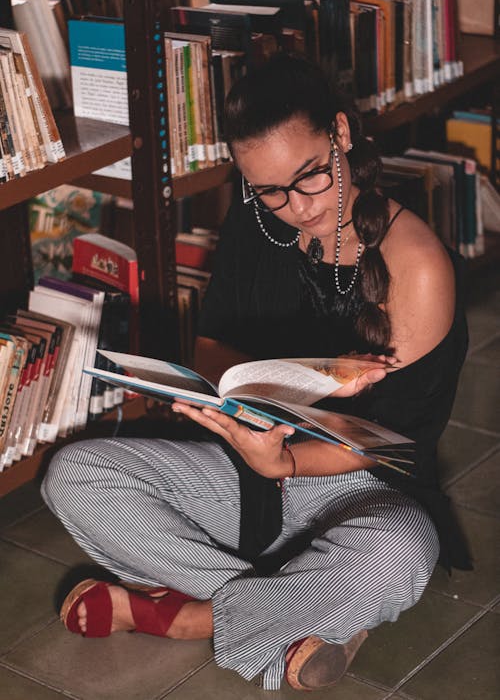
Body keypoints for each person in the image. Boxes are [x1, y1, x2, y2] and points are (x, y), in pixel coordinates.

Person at [42, 52, 470, 692]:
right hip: (247, 472)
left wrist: (289, 462)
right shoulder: (256, 220)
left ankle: (187, 616)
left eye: (308, 178)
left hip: (356, 488)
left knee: (403, 552)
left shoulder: (418, 266)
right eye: (269, 189)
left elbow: (394, 445)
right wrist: (230, 400)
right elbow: (215, 342)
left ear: (341, 135)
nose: (293, 207)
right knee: (72, 477)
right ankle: (308, 609)